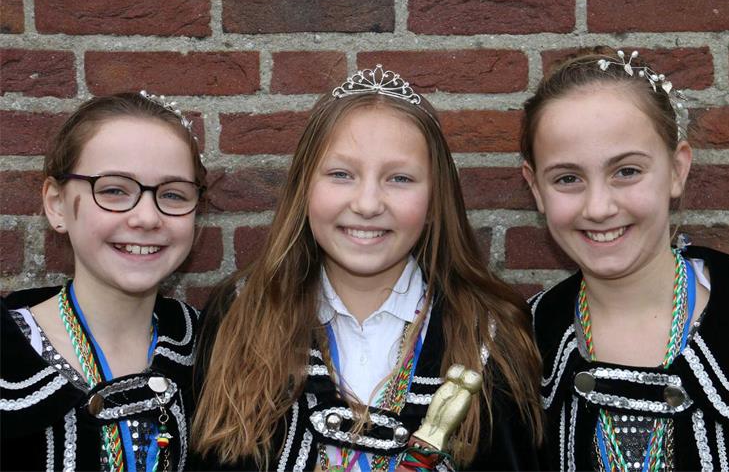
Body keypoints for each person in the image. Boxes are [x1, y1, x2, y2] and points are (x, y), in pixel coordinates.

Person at [190, 65, 544, 470]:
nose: (368, 204)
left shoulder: (488, 334)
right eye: (341, 174)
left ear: (435, 201)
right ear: (304, 187)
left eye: (400, 178)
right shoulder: (240, 312)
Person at [521, 48, 729, 470]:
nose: (599, 207)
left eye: (627, 171)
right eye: (568, 178)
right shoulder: (520, 344)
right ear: (535, 188)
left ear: (677, 170)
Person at [1, 91, 207, 471]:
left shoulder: (212, 352)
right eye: (113, 190)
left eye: (173, 194)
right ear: (57, 204)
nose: (147, 218)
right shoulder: (10, 354)